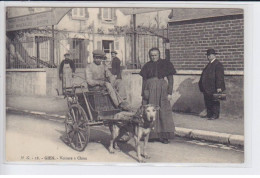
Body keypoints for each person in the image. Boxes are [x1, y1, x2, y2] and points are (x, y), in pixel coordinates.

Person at [140, 47, 176, 144]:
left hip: (162, 91)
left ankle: (164, 136)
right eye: (152, 55)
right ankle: (151, 135)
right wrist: (143, 93)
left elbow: (171, 80)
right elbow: (144, 81)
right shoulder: (147, 66)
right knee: (150, 113)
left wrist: (169, 93)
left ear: (159, 55)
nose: (154, 57)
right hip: (150, 91)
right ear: (149, 56)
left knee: (163, 112)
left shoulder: (165, 64)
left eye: (155, 55)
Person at [199, 48, 226, 120]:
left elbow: (219, 77)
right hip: (207, 87)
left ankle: (215, 115)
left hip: (214, 87)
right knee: (208, 101)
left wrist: (219, 87)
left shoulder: (218, 64)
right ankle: (209, 114)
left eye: (210, 55)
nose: (208, 57)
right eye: (207, 55)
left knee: (215, 101)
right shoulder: (209, 64)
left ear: (214, 55)